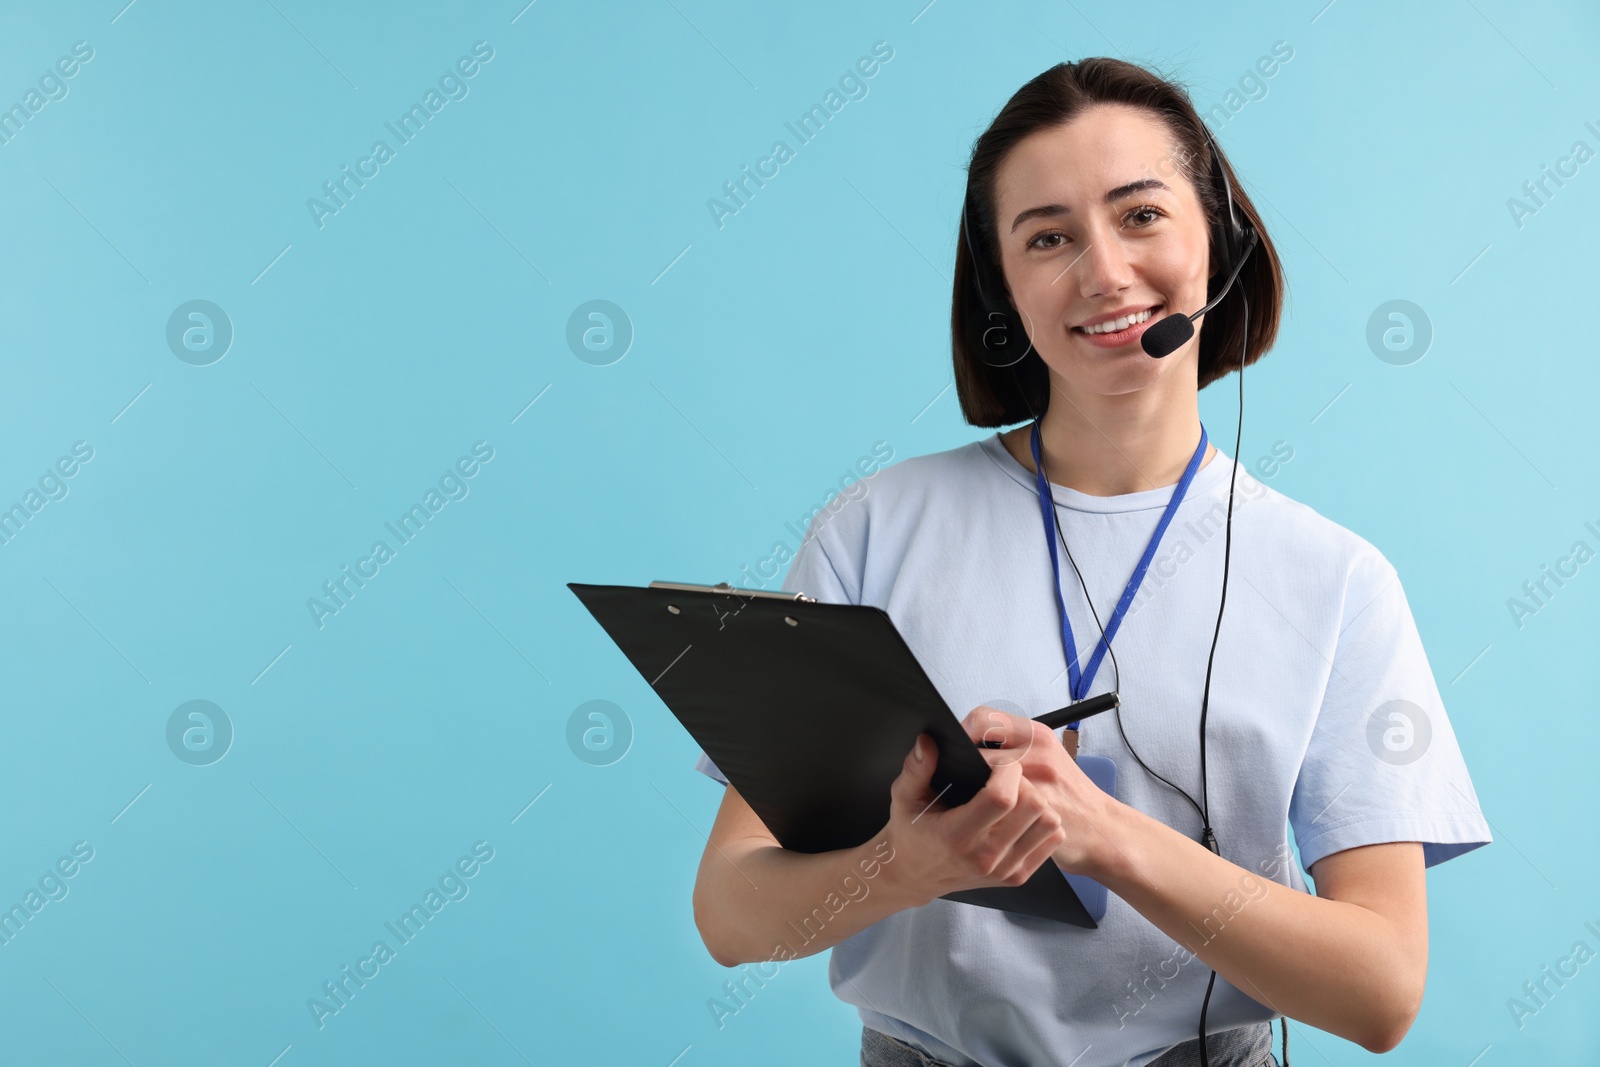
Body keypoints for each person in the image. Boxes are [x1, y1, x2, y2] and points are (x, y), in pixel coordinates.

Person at [690, 57, 1491, 1067]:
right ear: (1003, 288)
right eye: (1048, 237)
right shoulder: (872, 527)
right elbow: (729, 910)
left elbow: (1380, 990)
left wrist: (1103, 834)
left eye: (1140, 215)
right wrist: (905, 864)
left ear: (1221, 239)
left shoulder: (1334, 579)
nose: (1104, 273)